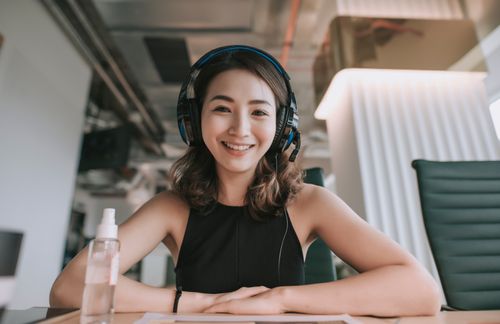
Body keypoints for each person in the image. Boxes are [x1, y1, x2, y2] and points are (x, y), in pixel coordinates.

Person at [50, 45, 440, 316]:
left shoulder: (311, 202)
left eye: (258, 112)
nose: (240, 129)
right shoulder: (172, 207)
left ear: (281, 126)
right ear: (195, 119)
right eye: (222, 108)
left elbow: (420, 291)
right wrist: (197, 303)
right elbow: (70, 288)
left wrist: (280, 300)